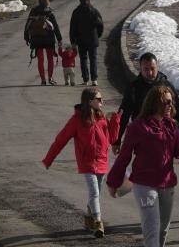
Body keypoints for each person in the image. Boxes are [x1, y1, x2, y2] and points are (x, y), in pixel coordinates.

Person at [107, 85, 179, 247]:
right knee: (151, 227)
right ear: (153, 103)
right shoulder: (137, 127)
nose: (169, 105)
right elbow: (124, 156)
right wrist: (114, 181)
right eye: (165, 101)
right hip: (144, 184)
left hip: (167, 183)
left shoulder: (171, 125)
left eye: (171, 102)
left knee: (163, 229)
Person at [43, 88, 122, 238]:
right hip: (86, 163)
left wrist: (115, 121)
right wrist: (49, 159)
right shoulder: (76, 120)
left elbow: (112, 139)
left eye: (101, 98)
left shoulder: (102, 118)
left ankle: (88, 218)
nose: (102, 102)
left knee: (96, 193)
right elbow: (60, 140)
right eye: (99, 99)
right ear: (89, 101)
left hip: (102, 162)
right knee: (94, 192)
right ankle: (98, 222)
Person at [113, 52, 179, 155]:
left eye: (152, 68)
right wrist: (117, 140)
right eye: (146, 69)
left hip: (163, 136)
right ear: (140, 69)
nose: (150, 72)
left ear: (157, 66)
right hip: (142, 135)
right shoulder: (134, 88)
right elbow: (124, 114)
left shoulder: (166, 86)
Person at [24, 0, 63, 85]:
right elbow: (55, 26)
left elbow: (28, 25)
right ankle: (50, 78)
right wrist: (59, 38)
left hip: (36, 38)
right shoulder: (49, 11)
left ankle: (43, 80)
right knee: (50, 58)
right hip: (49, 38)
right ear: (47, 1)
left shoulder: (34, 11)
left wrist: (26, 37)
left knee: (40, 60)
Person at [69, 0, 103, 86]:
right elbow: (100, 25)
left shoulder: (76, 12)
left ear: (80, 1)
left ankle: (85, 79)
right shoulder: (94, 11)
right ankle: (94, 79)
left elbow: (72, 28)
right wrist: (98, 35)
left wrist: (73, 41)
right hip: (93, 39)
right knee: (93, 59)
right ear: (89, 0)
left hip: (81, 40)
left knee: (83, 59)